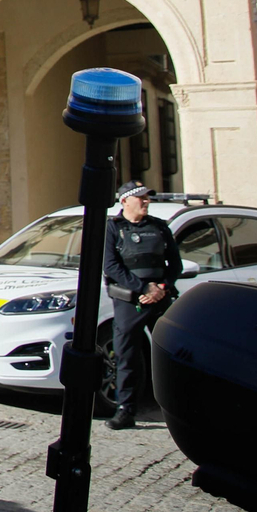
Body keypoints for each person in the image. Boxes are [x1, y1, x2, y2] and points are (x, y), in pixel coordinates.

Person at [102, 181, 182, 430]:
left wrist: (162, 288)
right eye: (140, 198)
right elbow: (110, 266)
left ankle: (178, 410)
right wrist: (143, 288)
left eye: (147, 197)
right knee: (127, 357)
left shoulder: (158, 228)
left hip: (159, 300)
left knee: (171, 355)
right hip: (130, 301)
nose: (146, 201)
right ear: (125, 201)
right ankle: (126, 410)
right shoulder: (113, 229)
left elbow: (175, 265)